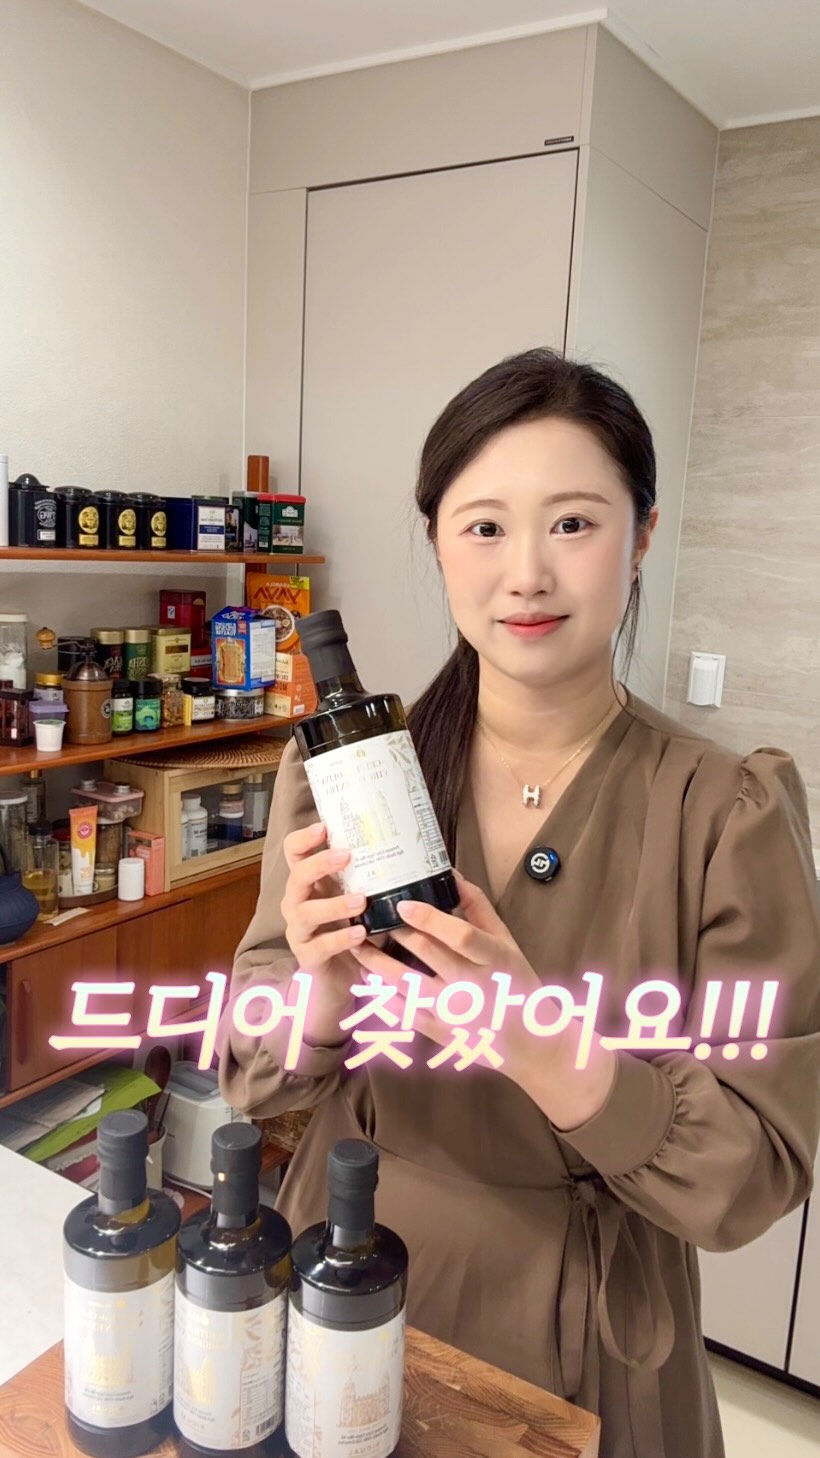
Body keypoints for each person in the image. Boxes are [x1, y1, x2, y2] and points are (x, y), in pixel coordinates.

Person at [218, 348, 820, 1458]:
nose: (526, 574)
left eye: (574, 524)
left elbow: (756, 1168)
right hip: (345, 1263)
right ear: (439, 543)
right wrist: (318, 996)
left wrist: (542, 1042)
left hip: (590, 1327)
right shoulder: (346, 779)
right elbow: (249, 1063)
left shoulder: (726, 812)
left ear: (642, 537)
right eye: (485, 527)